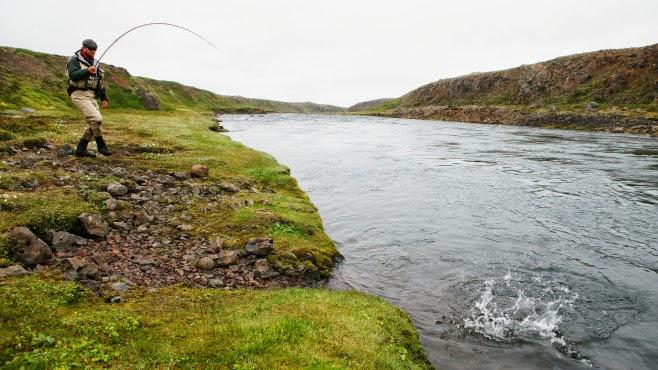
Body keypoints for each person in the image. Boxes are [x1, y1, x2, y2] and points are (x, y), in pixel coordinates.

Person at [67, 39, 111, 156]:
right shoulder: (74, 60)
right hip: (78, 93)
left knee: (92, 122)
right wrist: (86, 71)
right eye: (90, 49)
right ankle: (101, 146)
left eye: (94, 50)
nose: (93, 51)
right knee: (97, 119)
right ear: (83, 48)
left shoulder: (96, 63)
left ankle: (81, 149)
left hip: (92, 95)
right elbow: (73, 76)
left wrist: (104, 98)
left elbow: (99, 83)